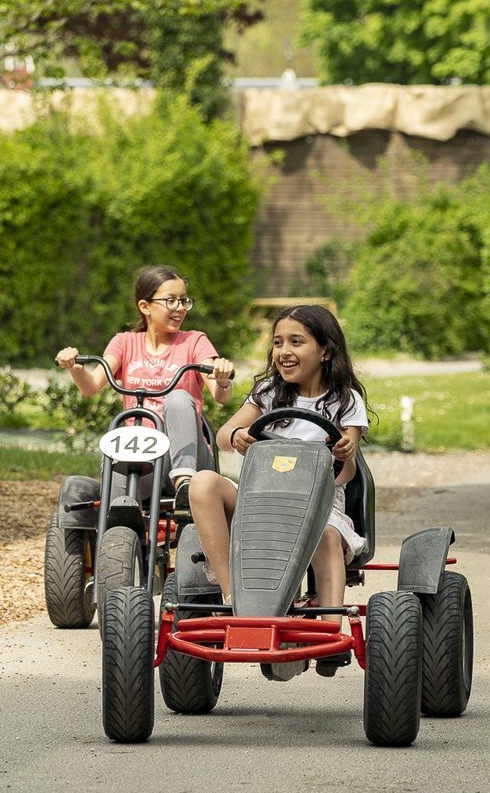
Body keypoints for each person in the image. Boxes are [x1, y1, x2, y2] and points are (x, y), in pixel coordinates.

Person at [189, 304, 368, 667]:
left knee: (328, 535)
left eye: (296, 342)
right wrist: (237, 434)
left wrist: (344, 452)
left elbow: (347, 473)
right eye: (278, 343)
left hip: (317, 507)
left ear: (325, 350)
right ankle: (232, 595)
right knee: (203, 482)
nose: (284, 351)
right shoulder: (269, 391)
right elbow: (224, 434)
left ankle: (330, 629)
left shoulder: (344, 399)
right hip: (259, 503)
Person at [54, 265, 235, 509]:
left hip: (186, 456)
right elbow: (91, 386)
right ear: (145, 306)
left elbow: (220, 395)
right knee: (116, 505)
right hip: (141, 458)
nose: (180, 308)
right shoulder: (125, 342)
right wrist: (74, 367)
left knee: (179, 398)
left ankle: (184, 482)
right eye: (171, 301)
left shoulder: (194, 341)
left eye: (183, 301)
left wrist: (222, 377)